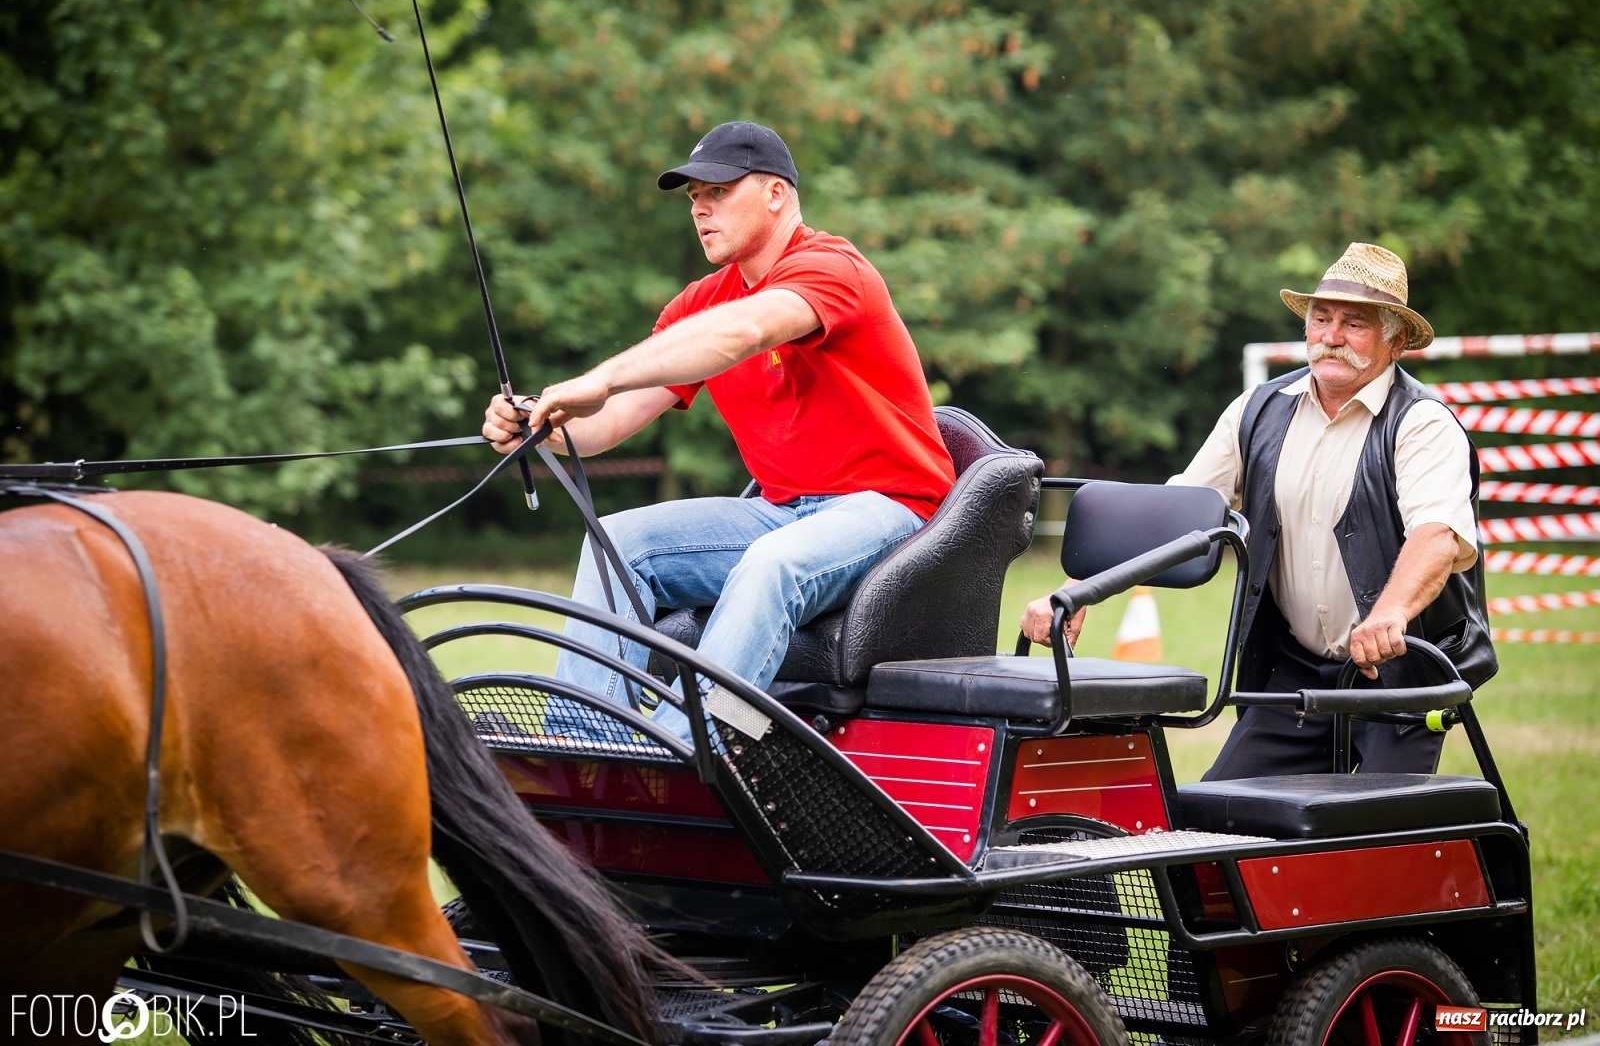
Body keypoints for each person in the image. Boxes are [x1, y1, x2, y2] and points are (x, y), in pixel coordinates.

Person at [483, 121, 955, 738]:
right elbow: (610, 421)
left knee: (770, 565)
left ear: (777, 194)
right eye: (694, 197)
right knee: (617, 542)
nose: (700, 209)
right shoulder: (699, 304)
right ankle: (586, 749)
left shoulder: (833, 267)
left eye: (719, 191)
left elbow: (745, 332)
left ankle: (687, 751)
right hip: (783, 512)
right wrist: (539, 423)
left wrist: (601, 378)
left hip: (891, 510)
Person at [1020, 243, 1496, 776]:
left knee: (1377, 824)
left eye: (1354, 323)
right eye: (1321, 318)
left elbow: (1437, 535)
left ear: (1397, 341)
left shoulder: (1423, 422)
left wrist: (1390, 614)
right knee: (1221, 810)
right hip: (1295, 675)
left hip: (1401, 676)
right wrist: (1079, 589)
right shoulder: (1258, 410)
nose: (1331, 336)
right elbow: (1180, 512)